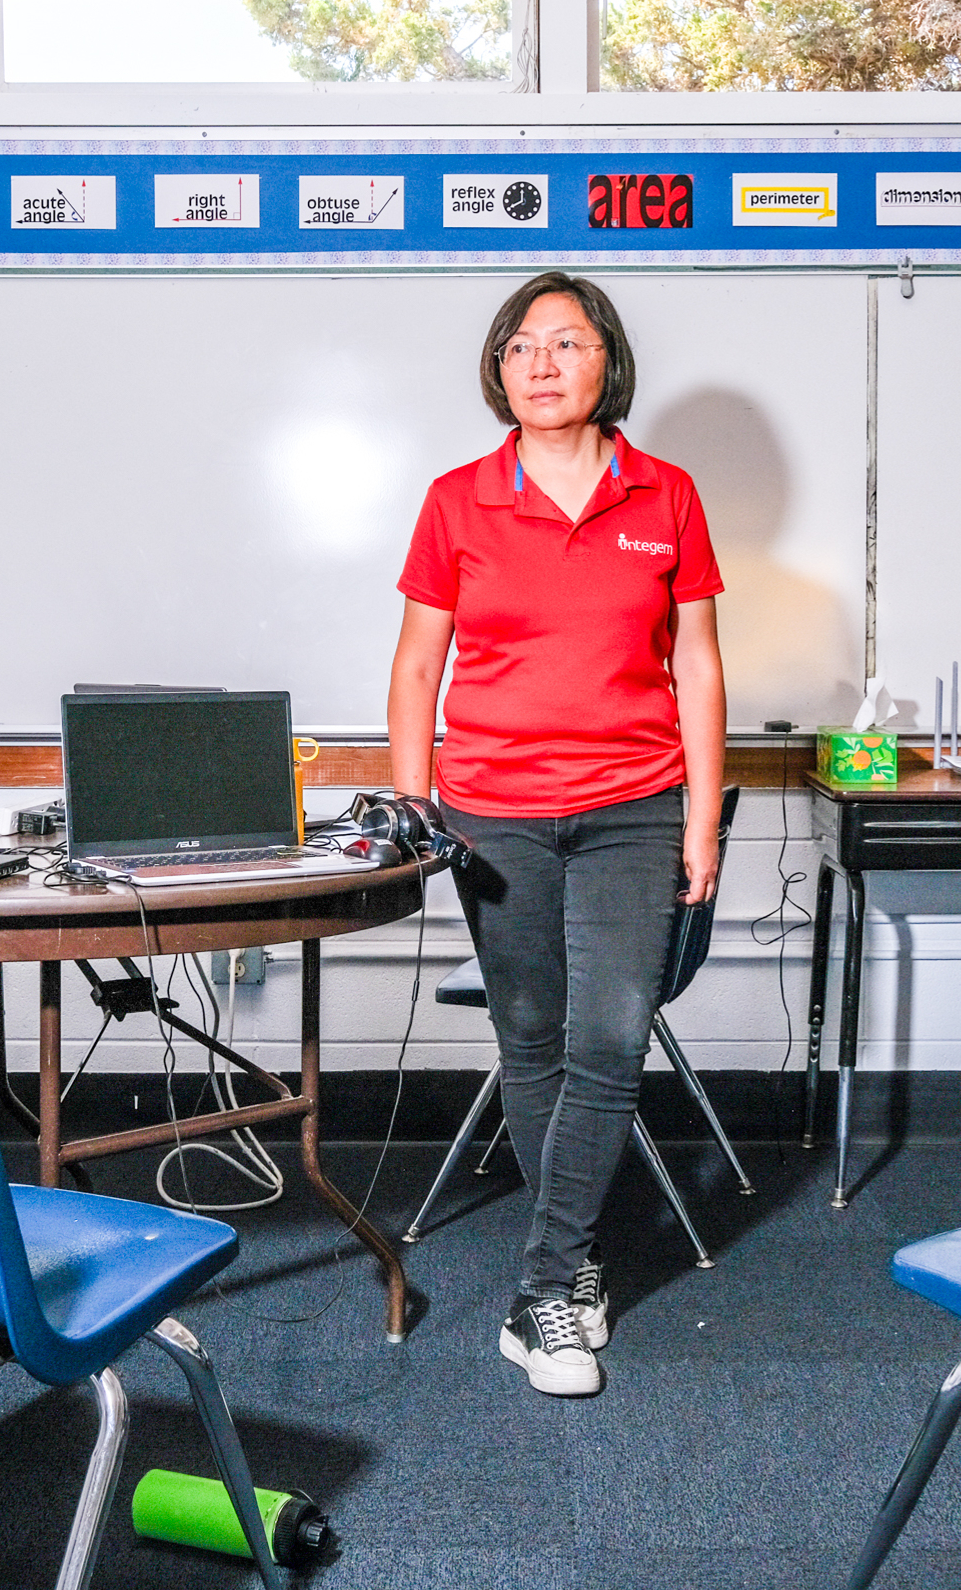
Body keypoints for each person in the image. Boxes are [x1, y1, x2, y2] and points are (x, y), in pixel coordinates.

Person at [387, 271, 725, 1396]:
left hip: (633, 806)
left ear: (604, 363)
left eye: (566, 343)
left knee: (610, 1041)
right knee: (531, 1044)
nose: (540, 361)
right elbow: (417, 665)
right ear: (498, 370)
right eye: (520, 345)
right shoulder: (455, 500)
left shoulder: (666, 495)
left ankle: (543, 1289)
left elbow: (698, 662)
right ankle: (569, 1270)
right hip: (493, 815)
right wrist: (410, 809)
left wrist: (702, 820)